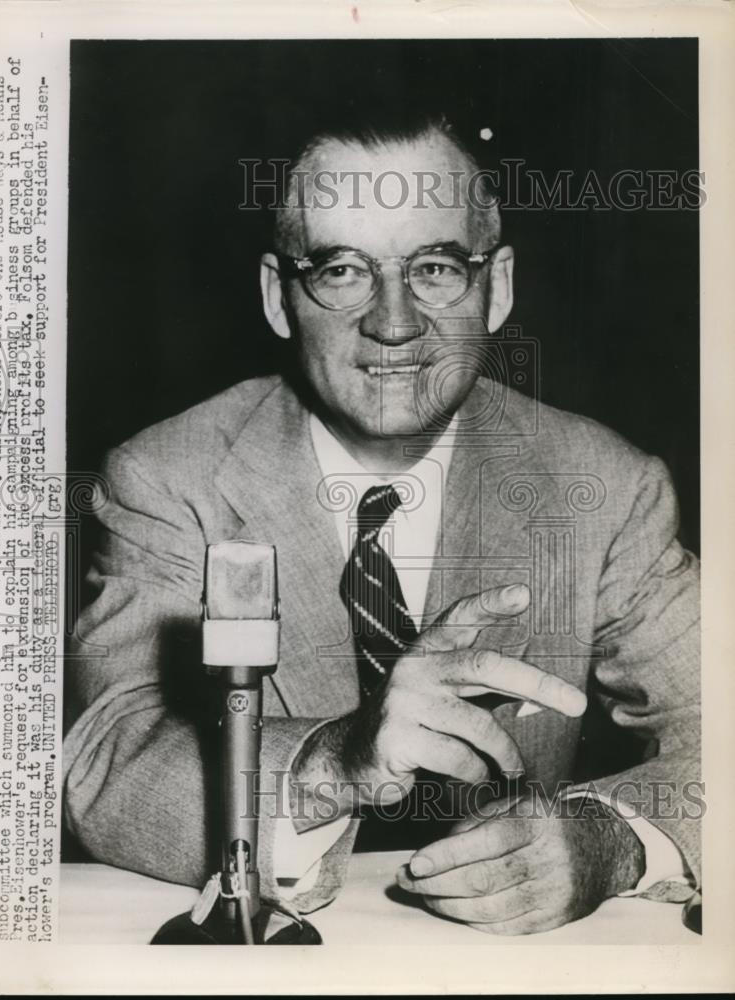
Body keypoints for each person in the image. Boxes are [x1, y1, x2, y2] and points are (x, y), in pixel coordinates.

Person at [63, 107, 700, 935]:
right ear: (279, 297)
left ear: (496, 287)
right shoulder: (169, 476)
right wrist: (337, 760)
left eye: (435, 268)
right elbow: (108, 760)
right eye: (342, 271)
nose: (394, 323)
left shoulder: (604, 486)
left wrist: (611, 839)